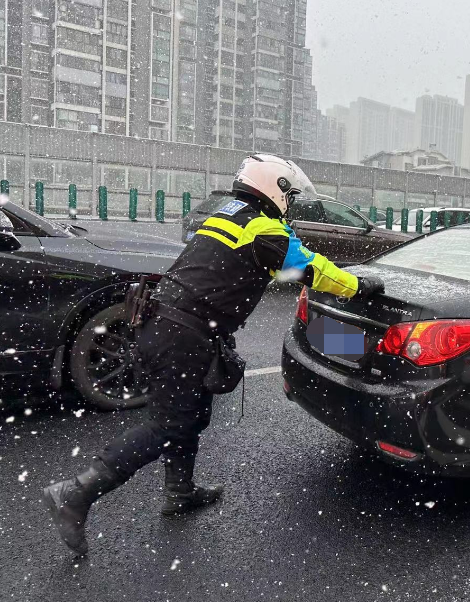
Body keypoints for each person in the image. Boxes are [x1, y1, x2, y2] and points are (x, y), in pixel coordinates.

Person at [42, 155, 384, 556]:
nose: (290, 204)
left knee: (191, 414)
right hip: (181, 333)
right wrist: (358, 286)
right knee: (168, 425)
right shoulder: (264, 230)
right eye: (290, 195)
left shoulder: (227, 214)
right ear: (275, 189)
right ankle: (76, 493)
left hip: (163, 323)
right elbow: (313, 269)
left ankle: (180, 491)